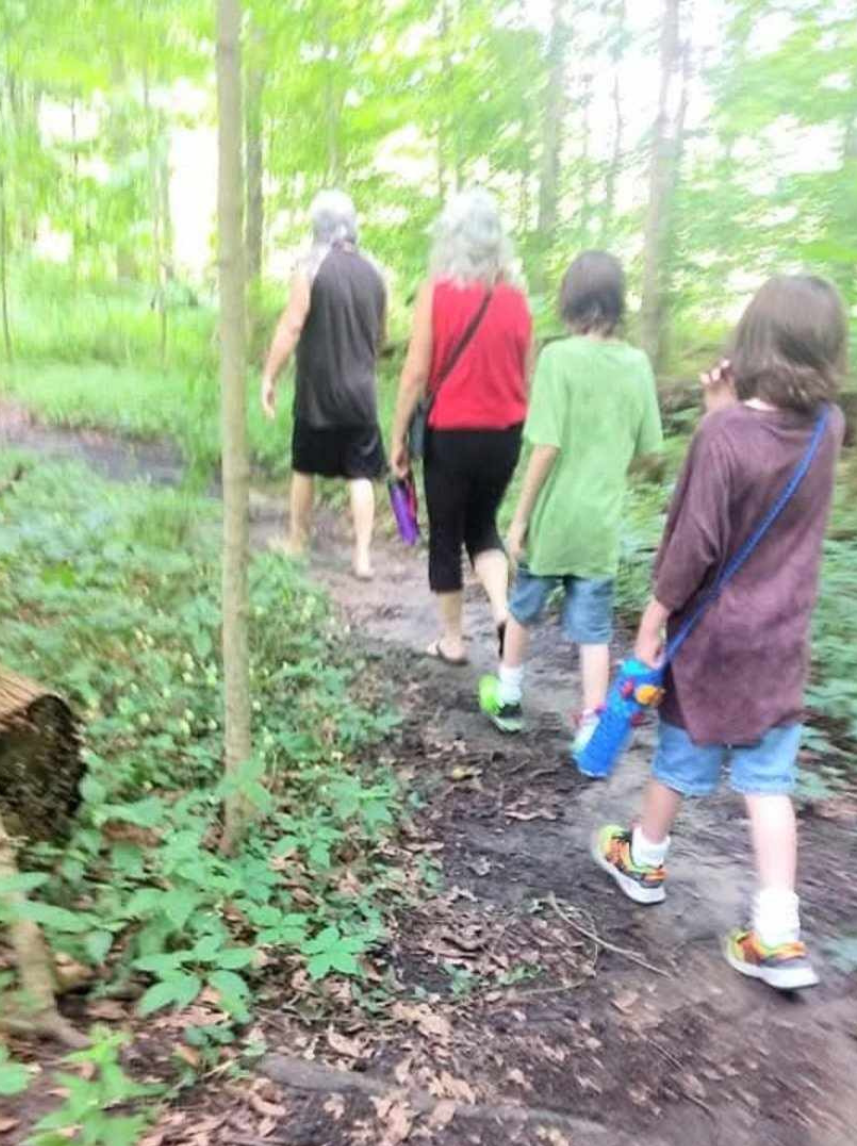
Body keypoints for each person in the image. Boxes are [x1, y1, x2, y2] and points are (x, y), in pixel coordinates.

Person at [592, 274, 848, 991]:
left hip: (714, 642)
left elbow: (695, 544)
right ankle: (778, 936)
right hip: (780, 642)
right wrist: (726, 415)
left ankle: (643, 859)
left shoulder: (723, 434)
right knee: (770, 783)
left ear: (750, 341)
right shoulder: (831, 427)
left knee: (680, 755)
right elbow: (773, 448)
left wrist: (652, 619)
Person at [478, 251, 664, 742]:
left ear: (571, 301)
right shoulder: (637, 364)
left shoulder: (558, 357)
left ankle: (509, 694)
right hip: (601, 521)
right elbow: (650, 454)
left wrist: (519, 519)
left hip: (555, 517)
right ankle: (590, 726)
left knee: (523, 607)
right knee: (595, 630)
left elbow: (546, 446)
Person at [390, 189, 532, 663]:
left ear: (448, 239)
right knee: (483, 526)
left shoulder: (436, 294)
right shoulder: (517, 300)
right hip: (505, 434)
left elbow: (414, 373)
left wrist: (397, 439)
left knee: (447, 534)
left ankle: (452, 640)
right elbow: (525, 374)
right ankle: (500, 609)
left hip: (451, 433)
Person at [261, 190, 386, 580]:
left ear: (318, 225)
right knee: (361, 473)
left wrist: (269, 375)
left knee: (305, 466)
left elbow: (292, 325)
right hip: (361, 391)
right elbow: (379, 336)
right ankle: (363, 557)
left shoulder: (309, 268)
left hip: (318, 392)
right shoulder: (376, 272)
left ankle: (298, 541)